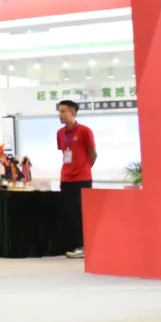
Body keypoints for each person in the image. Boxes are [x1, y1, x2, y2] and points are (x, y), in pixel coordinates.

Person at [57, 99, 96, 259]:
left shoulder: (85, 131)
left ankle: (84, 246)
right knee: (69, 213)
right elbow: (65, 152)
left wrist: (84, 169)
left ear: (72, 113)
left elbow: (93, 154)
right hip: (66, 178)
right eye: (59, 111)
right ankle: (73, 245)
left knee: (82, 213)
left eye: (63, 111)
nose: (60, 115)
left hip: (82, 179)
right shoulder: (60, 133)